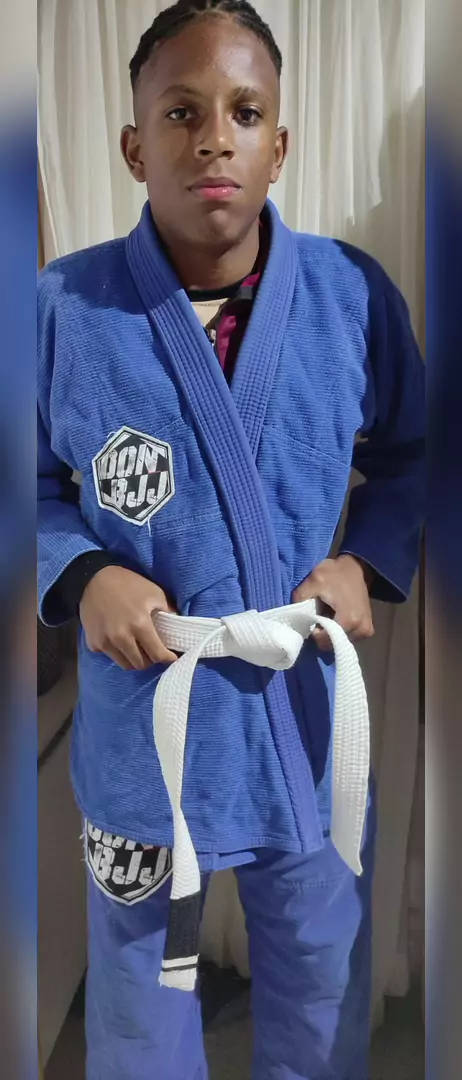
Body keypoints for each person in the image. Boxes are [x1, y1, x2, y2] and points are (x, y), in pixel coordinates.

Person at [37, 2, 425, 1077]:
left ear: (279, 144)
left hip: (303, 713)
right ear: (134, 146)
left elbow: (413, 456)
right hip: (145, 723)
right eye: (182, 112)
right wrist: (82, 568)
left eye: (245, 113)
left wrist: (364, 562)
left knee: (321, 976)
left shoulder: (350, 295)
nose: (215, 138)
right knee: (139, 995)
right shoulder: (63, 308)